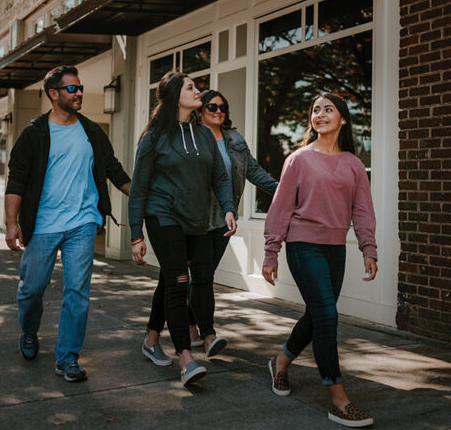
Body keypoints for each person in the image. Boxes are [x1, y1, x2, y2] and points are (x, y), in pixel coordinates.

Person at [5, 65, 131, 383]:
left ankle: (68, 358)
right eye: (72, 89)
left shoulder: (90, 130)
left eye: (80, 88)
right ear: (54, 94)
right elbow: (16, 180)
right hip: (43, 224)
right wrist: (11, 223)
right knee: (32, 289)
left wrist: (141, 193)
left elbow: (113, 169)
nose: (79, 93)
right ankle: (29, 331)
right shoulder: (34, 133)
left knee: (77, 291)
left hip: (83, 221)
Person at [262, 92, 378, 428]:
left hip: (335, 248)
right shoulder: (299, 159)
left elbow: (362, 210)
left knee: (318, 314)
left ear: (342, 119)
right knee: (328, 315)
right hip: (303, 244)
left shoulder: (353, 163)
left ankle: (280, 362)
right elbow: (281, 207)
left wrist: (368, 247)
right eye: (315, 110)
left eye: (329, 110)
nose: (321, 114)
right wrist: (272, 251)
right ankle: (338, 398)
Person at [129, 71, 237, 387]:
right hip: (163, 217)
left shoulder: (203, 134)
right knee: (179, 281)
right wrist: (136, 233)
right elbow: (139, 187)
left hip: (197, 221)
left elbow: (219, 177)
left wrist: (228, 207)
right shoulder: (154, 137)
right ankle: (186, 360)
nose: (198, 91)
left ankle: (151, 339)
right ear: (176, 95)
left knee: (170, 279)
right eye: (191, 87)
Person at [182, 89, 278, 354]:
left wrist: (280, 190)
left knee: (203, 275)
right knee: (202, 276)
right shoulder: (190, 138)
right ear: (200, 111)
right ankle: (209, 334)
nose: (218, 112)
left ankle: (190, 324)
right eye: (212, 107)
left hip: (225, 219)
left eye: (222, 107)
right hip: (198, 218)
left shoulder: (234, 139)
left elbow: (253, 170)